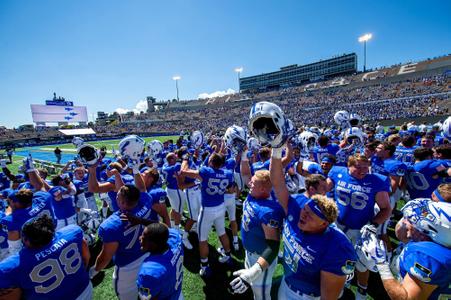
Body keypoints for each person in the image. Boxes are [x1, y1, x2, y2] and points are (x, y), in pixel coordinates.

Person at [270, 146, 357, 299]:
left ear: (324, 224)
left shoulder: (337, 247)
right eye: (305, 210)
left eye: (310, 216)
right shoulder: (299, 205)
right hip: (286, 282)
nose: (303, 215)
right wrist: (276, 150)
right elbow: (277, 183)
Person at [326, 154, 391, 299]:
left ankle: (362, 291)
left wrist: (373, 225)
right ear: (348, 165)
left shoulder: (377, 181)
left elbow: (386, 208)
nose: (363, 171)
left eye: (366, 167)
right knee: (337, 256)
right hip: (337, 224)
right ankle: (343, 280)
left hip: (361, 228)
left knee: (362, 262)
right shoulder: (337, 172)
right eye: (358, 167)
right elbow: (323, 190)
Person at [365, 200, 451, 299]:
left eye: (414, 222)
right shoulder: (439, 244)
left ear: (432, 233)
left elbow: (405, 298)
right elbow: (401, 234)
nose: (405, 222)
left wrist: (381, 263)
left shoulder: (428, 258)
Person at [0, 214, 92, 299]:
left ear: (26, 239)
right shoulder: (72, 232)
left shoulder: (9, 266)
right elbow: (86, 257)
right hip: (84, 289)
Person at [90, 184, 154, 299]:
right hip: (148, 255)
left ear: (123, 203)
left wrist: (93, 271)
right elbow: (142, 189)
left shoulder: (111, 225)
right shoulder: (146, 200)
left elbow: (105, 258)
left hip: (127, 266)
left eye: (118, 196)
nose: (116, 196)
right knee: (145, 286)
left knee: (127, 295)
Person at [229, 170, 284, 299]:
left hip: (261, 258)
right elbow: (246, 172)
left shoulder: (268, 211)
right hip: (250, 252)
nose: (249, 184)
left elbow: (273, 247)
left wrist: (255, 270)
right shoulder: (254, 195)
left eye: (253, 183)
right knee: (254, 287)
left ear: (263, 189)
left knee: (261, 295)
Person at [137, 223, 184, 300]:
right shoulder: (176, 238)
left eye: (144, 238)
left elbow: (145, 298)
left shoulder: (150, 272)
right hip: (177, 294)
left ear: (154, 244)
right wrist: (139, 220)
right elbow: (163, 228)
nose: (140, 238)